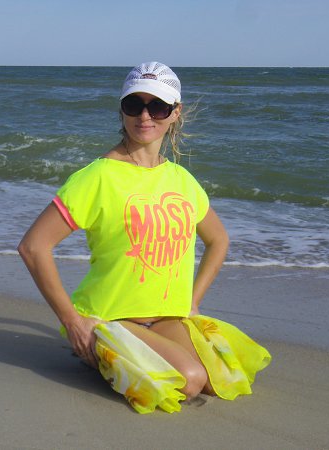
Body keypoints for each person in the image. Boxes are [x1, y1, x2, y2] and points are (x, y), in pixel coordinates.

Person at [18, 62, 270, 413]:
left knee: (219, 379)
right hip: (110, 317)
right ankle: (99, 348)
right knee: (189, 380)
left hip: (166, 316)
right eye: (134, 104)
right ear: (121, 110)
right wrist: (72, 321)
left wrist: (192, 302)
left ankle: (124, 358)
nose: (145, 116)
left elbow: (218, 240)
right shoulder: (98, 177)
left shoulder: (181, 180)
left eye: (158, 106)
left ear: (175, 112)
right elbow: (33, 247)